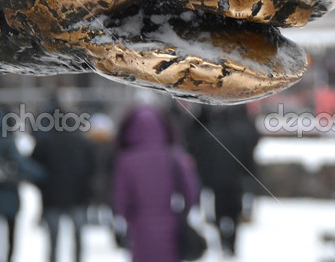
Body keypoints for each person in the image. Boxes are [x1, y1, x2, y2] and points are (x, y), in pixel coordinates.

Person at [111, 106, 201, 262]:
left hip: (139, 226)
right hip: (171, 222)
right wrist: (184, 211)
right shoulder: (174, 156)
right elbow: (191, 190)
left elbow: (120, 197)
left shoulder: (125, 160)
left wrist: (125, 217)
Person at [0, 106, 44, 262]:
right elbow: (24, 166)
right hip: (10, 199)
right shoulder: (9, 142)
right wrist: (42, 173)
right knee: (10, 238)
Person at [186, 105, 260, 257]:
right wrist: (250, 180)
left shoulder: (212, 134)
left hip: (218, 184)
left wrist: (205, 181)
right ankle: (231, 245)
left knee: (220, 214)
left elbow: (204, 161)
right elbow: (248, 160)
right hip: (235, 183)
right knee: (233, 214)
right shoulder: (242, 134)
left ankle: (225, 244)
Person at [31, 106, 96, 262]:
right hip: (78, 199)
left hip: (52, 200)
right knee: (78, 239)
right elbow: (92, 170)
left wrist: (44, 190)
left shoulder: (44, 143)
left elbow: (34, 170)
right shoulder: (83, 143)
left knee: (53, 241)